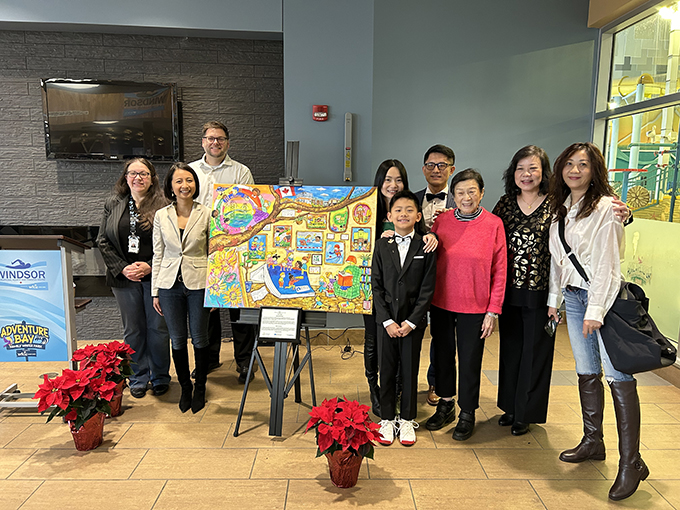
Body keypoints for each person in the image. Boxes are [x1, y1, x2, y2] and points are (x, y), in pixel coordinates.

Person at [494, 145, 632, 437]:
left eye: (533, 168)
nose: (526, 174)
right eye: (520, 168)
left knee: (536, 351)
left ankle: (526, 412)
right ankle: (509, 406)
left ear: (545, 172)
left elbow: (593, 235)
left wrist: (625, 214)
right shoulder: (505, 204)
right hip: (510, 289)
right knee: (511, 349)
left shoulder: (556, 203)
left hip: (545, 290)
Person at [547, 142, 647, 501]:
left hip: (600, 301)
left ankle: (630, 462)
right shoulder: (560, 208)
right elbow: (559, 260)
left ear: (595, 171)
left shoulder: (606, 208)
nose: (575, 170)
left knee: (618, 375)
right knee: (586, 371)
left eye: (583, 165)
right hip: (573, 298)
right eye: (569, 164)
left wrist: (595, 311)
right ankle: (593, 441)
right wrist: (554, 301)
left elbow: (608, 265)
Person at [426, 169, 507, 441]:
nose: (466, 197)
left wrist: (493, 310)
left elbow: (500, 270)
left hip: (476, 306)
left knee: (471, 361)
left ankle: (467, 412)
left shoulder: (494, 224)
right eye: (460, 192)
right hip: (441, 302)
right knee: (443, 355)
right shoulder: (443, 221)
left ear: (482, 193)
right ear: (453, 195)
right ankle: (446, 403)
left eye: (472, 191)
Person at [363, 160, 437, 418]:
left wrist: (431, 235)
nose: (393, 185)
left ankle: (398, 397)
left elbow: (420, 234)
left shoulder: (408, 208)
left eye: (399, 180)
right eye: (388, 180)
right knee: (374, 341)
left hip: (406, 298)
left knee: (403, 349)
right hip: (375, 290)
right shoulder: (368, 208)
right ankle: (376, 390)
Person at [97, 158, 170, 399]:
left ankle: (160, 376)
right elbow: (102, 240)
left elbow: (172, 244)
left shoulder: (164, 205)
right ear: (125, 177)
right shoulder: (113, 203)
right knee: (133, 330)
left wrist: (149, 266)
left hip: (155, 277)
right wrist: (122, 268)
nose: (138, 178)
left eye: (144, 173)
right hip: (124, 278)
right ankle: (138, 377)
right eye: (133, 173)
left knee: (157, 328)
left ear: (152, 178)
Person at [190, 120, 256, 383]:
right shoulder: (190, 171)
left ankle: (245, 362)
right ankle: (208, 359)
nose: (215, 142)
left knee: (238, 311)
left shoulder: (241, 172)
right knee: (204, 309)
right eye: (210, 138)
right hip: (198, 249)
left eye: (220, 138)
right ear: (203, 141)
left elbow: (250, 210)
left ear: (228, 142)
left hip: (233, 249)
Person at [372, 190, 436, 446]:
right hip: (386, 322)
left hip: (413, 322)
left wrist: (411, 321)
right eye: (398, 210)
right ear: (389, 215)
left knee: (409, 370)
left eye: (410, 210)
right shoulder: (382, 244)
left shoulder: (426, 245)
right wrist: (386, 320)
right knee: (386, 370)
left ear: (418, 216)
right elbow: (375, 285)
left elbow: (427, 288)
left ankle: (407, 419)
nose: (403, 214)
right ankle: (387, 418)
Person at [152, 163, 211, 414]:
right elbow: (158, 253)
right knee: (177, 338)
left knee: (199, 337)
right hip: (168, 285)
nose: (184, 185)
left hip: (199, 283)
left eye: (189, 180)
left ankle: (200, 387)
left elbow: (215, 252)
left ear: (195, 184)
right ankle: (185, 387)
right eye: (178, 181)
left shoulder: (207, 213)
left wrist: (217, 289)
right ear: (171, 186)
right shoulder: (161, 215)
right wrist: (155, 290)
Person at [414, 144, 456, 407]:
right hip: (414, 279)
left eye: (442, 165)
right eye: (431, 165)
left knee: (443, 336)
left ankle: (437, 383)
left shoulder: (460, 202)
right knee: (409, 330)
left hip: (446, 278)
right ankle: (403, 381)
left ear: (452, 170)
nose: (436, 170)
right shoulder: (411, 199)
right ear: (423, 169)